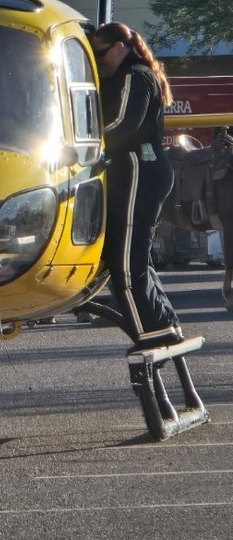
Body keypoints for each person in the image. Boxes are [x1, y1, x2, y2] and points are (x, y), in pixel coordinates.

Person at [90, 22, 182, 351]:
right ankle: (164, 324)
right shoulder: (138, 74)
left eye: (100, 54)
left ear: (119, 47)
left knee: (125, 264)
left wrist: (84, 140)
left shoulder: (133, 76)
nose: (99, 63)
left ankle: (150, 335)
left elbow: (121, 124)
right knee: (137, 257)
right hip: (142, 170)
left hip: (137, 170)